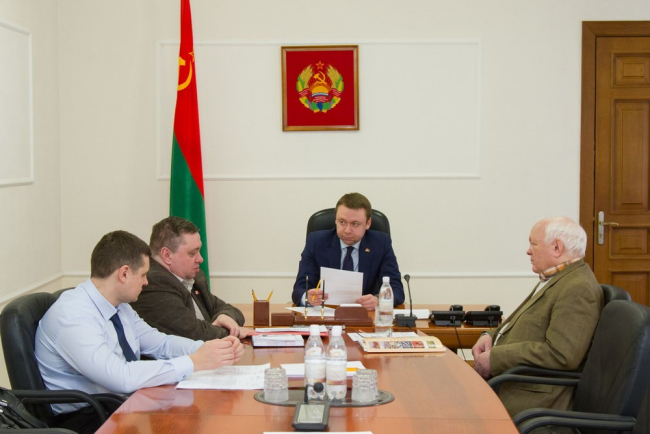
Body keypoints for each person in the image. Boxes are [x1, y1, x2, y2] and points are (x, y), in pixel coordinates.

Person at [35, 231, 244, 434]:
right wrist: (193, 362)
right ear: (124, 273)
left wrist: (209, 348)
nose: (146, 282)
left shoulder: (120, 307)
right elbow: (121, 377)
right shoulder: (74, 316)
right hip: (89, 418)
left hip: (120, 404)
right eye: (143, 275)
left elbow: (159, 343)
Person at [472, 217, 603, 418]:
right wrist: (489, 335)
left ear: (557, 247)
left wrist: (496, 358)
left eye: (533, 244)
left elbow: (561, 355)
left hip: (529, 400)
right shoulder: (558, 278)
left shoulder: (578, 288)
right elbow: (521, 322)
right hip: (510, 382)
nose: (528, 251)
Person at [130, 216, 252, 340]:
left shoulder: (194, 277)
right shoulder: (153, 282)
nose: (200, 259)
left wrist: (225, 316)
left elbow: (232, 310)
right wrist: (232, 330)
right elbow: (194, 334)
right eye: (192, 253)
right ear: (167, 255)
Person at [292, 192, 404, 311]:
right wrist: (307, 297)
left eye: (355, 224)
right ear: (335, 220)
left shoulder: (381, 243)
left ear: (368, 223)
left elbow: (397, 291)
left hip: (366, 315)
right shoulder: (316, 242)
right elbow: (299, 289)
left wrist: (378, 300)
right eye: (342, 222)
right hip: (326, 314)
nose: (347, 230)